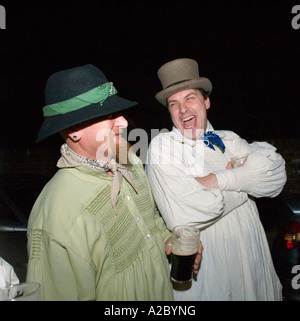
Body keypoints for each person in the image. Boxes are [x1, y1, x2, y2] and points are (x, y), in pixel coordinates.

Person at [26, 64, 202, 301]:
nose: (123, 122)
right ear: (74, 130)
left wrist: (168, 239)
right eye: (108, 115)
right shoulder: (57, 214)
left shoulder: (129, 161)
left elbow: (151, 222)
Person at [146, 58, 287, 301]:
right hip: (211, 271)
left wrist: (214, 180)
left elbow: (275, 176)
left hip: (251, 261)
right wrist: (248, 184)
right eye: (173, 104)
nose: (183, 110)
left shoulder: (229, 139)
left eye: (190, 98)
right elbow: (188, 213)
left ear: (206, 101)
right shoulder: (163, 146)